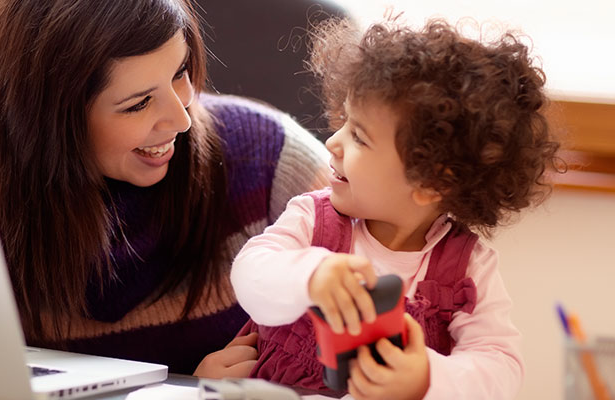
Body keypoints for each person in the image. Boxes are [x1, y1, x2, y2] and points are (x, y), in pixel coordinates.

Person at [0, 0, 329, 376]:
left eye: (180, 71)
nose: (181, 118)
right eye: (138, 104)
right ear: (46, 120)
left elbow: (388, 289)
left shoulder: (271, 158)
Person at [231, 18, 562, 399]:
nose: (333, 143)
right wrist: (311, 276)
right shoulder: (314, 219)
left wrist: (425, 376)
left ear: (430, 182)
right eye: (343, 122)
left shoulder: (468, 269)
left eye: (358, 136)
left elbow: (500, 367)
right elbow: (250, 274)